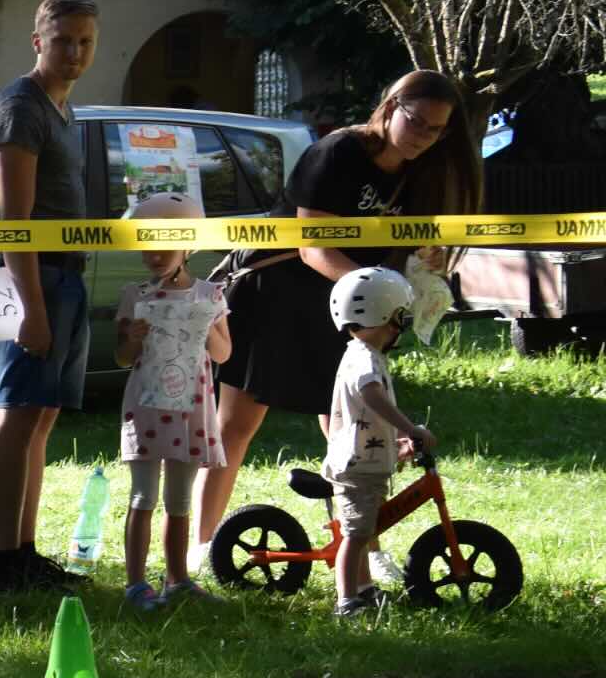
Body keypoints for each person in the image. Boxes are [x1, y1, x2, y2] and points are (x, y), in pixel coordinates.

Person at [194, 69, 482, 580]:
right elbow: (313, 246)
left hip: (351, 309)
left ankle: (364, 549)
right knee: (235, 426)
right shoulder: (336, 152)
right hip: (278, 293)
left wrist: (426, 255)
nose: (423, 136)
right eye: (416, 121)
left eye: (436, 129)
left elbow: (405, 240)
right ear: (390, 107)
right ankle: (200, 546)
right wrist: (375, 290)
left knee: (357, 435)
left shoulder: (421, 171)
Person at [0, 0, 99, 592]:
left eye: (85, 42)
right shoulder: (19, 110)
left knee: (40, 417)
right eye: (63, 41)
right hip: (22, 277)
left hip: (62, 274)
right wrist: (30, 308)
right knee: (16, 413)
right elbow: (12, 222)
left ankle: (23, 551)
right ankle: (1, 561)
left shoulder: (62, 109)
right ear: (38, 42)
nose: (74, 52)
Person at [111, 193, 231, 609]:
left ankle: (177, 578)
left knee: (179, 500)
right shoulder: (135, 294)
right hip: (147, 407)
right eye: (147, 247)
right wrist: (130, 338)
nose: (154, 256)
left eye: (163, 246)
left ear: (187, 245)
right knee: (143, 495)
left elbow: (223, 354)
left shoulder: (210, 295)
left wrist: (206, 324)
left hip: (191, 409)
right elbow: (122, 358)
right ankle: (135, 583)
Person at [322, 267, 434, 618]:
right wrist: (410, 428)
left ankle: (365, 589)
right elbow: (371, 396)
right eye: (400, 316)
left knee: (364, 529)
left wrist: (398, 439)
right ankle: (346, 601)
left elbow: (371, 411)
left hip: (365, 462)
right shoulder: (363, 359)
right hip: (356, 466)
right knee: (355, 535)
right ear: (386, 315)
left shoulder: (366, 355)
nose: (400, 325)